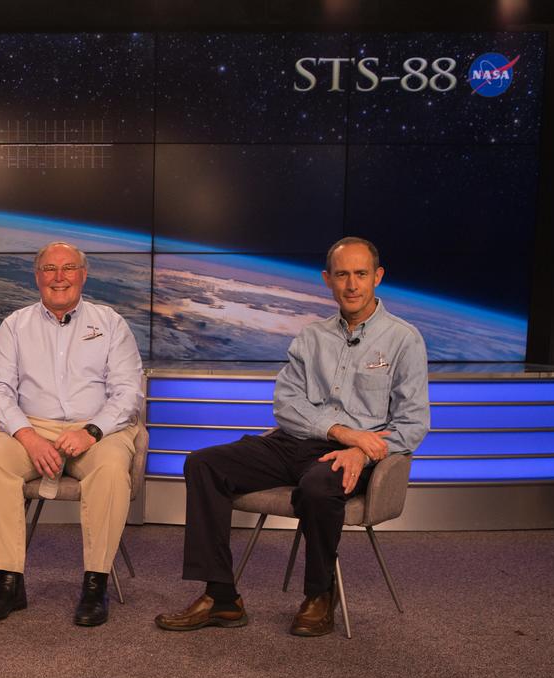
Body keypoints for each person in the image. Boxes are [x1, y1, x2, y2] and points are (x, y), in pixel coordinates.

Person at [155, 237, 430, 637]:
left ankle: (320, 595)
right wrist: (340, 431)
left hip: (353, 457)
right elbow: (286, 403)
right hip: (294, 441)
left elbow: (414, 423)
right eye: (341, 275)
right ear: (327, 280)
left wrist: (361, 452)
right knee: (204, 464)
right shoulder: (311, 337)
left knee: (318, 486)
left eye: (360, 274)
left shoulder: (404, 340)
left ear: (378, 277)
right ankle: (221, 597)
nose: (351, 285)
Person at [0, 241, 144, 627]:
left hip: (98, 428)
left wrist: (93, 431)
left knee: (113, 468)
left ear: (83, 275)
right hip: (33, 426)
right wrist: (27, 436)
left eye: (68, 268)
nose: (59, 277)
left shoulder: (111, 323)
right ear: (37, 276)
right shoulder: (15, 326)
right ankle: (9, 583)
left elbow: (128, 393)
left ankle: (95, 584)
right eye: (49, 269)